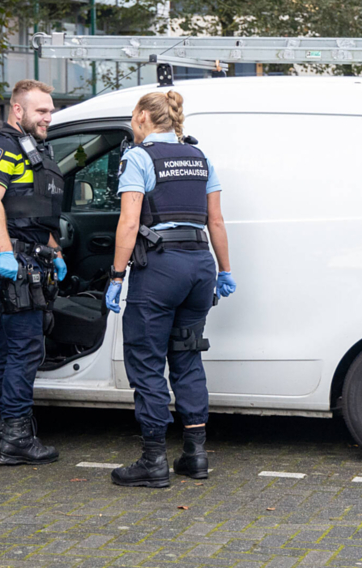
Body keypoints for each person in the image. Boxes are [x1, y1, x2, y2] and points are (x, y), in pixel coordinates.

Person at [105, 90, 236, 488]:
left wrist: (116, 275)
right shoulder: (200, 159)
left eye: (133, 116)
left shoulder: (140, 158)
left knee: (146, 360)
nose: (131, 122)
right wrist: (225, 270)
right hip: (200, 267)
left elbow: (129, 223)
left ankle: (153, 461)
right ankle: (195, 456)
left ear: (145, 116)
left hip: (161, 270)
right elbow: (215, 221)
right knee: (187, 355)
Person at [0, 79, 68, 465]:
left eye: (50, 110)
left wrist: (55, 250)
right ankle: (16, 437)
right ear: (17, 110)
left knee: (5, 347)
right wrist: (6, 254)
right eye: (42, 110)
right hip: (12, 264)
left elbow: (31, 209)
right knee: (25, 350)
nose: (49, 116)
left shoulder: (32, 149)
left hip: (31, 258)